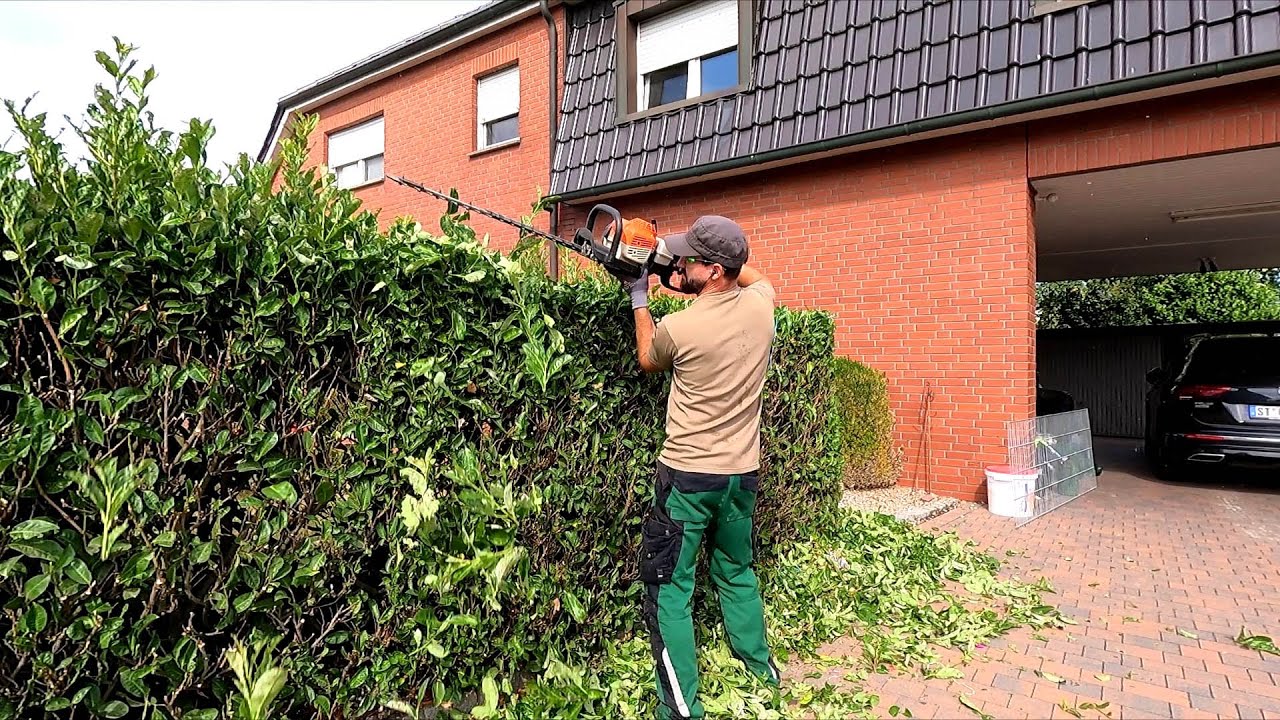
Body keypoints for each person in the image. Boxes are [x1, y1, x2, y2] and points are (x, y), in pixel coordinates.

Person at [617, 214, 781, 720]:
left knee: (670, 588)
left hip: (687, 478)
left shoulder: (680, 327)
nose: (682, 261)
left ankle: (681, 707)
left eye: (692, 258)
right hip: (741, 476)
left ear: (714, 271)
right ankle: (761, 669)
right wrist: (681, 269)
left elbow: (647, 356)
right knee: (735, 569)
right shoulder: (763, 307)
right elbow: (751, 277)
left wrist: (641, 291)